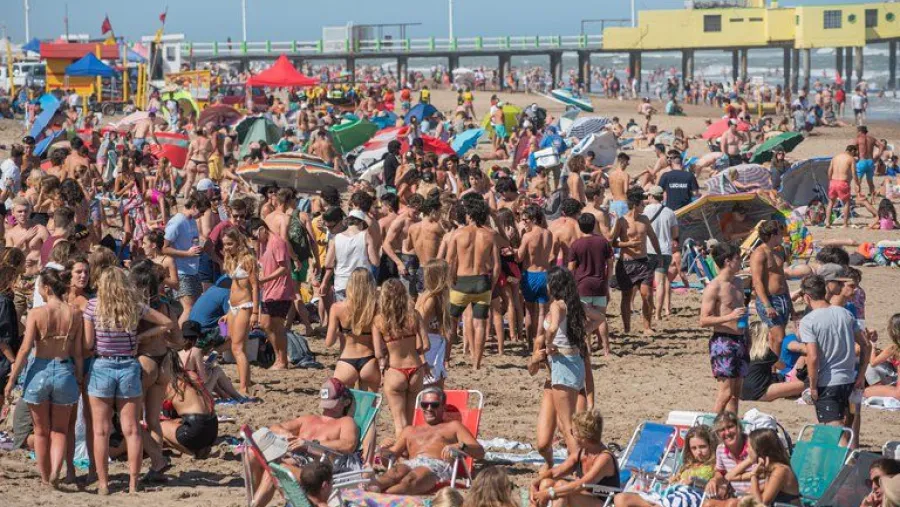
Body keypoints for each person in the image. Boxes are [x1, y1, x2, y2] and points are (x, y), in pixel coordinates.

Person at [84, 267, 179, 495]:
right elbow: (167, 323)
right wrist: (141, 336)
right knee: (132, 429)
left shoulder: (93, 306)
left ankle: (103, 484)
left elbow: (88, 344)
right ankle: (134, 483)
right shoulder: (133, 305)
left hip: (103, 365)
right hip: (128, 365)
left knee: (100, 430)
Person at [3, 269, 82, 488]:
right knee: (60, 429)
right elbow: (77, 352)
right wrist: (79, 376)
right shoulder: (75, 313)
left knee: (40, 430)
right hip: (65, 368)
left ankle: (46, 477)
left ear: (47, 288)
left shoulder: (38, 313)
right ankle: (57, 470)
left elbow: (25, 349)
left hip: (40, 369)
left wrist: (12, 380)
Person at [249, 378, 360, 507]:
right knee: (255, 457)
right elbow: (275, 427)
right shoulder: (309, 419)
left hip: (316, 471)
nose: (327, 409)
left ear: (346, 402)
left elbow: (348, 444)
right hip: (295, 461)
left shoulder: (345, 422)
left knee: (277, 469)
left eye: (332, 403)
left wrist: (310, 444)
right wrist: (288, 435)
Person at [799, 274, 869, 448]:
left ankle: (850, 469)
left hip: (828, 382)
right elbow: (866, 345)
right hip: (848, 379)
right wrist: (860, 374)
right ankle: (835, 469)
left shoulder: (809, 321)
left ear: (807, 297)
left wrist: (813, 386)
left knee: (835, 432)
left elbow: (812, 357)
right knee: (834, 429)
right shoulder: (845, 313)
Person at [371, 386, 484, 495]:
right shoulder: (409, 430)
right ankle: (369, 493)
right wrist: (383, 451)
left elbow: (480, 452)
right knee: (392, 474)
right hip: (410, 464)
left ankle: (379, 499)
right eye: (425, 404)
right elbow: (389, 460)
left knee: (410, 480)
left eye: (434, 405)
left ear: (443, 407)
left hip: (435, 467)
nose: (429, 408)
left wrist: (461, 446)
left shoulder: (453, 427)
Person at [446, 197, 499, 369]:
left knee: (451, 322)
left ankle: (446, 359)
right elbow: (496, 265)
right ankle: (476, 363)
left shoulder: (458, 233)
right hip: (482, 280)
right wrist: (492, 283)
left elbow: (449, 261)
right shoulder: (490, 234)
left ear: (469, 214)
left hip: (461, 281)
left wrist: (450, 280)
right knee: (480, 323)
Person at [699, 242, 749, 415]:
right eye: (738, 258)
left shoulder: (738, 282)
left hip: (740, 339)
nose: (740, 261)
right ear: (728, 261)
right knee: (725, 392)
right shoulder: (714, 287)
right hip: (723, 340)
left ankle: (732, 427)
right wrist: (730, 317)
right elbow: (704, 320)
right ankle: (712, 428)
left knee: (735, 394)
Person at [374, 279, 428, 436]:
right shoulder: (414, 316)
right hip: (416, 369)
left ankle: (402, 454)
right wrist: (412, 346)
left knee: (399, 422)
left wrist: (387, 351)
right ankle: (409, 452)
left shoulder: (379, 320)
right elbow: (426, 345)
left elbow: (378, 353)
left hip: (395, 369)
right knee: (411, 421)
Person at [531, 409, 618, 507]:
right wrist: (535, 483)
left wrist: (549, 493)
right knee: (546, 483)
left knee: (561, 487)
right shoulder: (582, 453)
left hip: (604, 502)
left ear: (584, 436)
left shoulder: (604, 459)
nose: (571, 434)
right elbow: (555, 472)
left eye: (573, 431)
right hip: (584, 497)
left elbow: (581, 484)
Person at [614, 425, 717, 507]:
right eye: (694, 448)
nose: (698, 452)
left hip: (689, 497)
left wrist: (694, 481)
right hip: (668, 494)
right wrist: (670, 481)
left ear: (711, 446)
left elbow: (716, 487)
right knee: (621, 498)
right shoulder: (687, 466)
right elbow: (671, 482)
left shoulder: (715, 466)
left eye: (702, 447)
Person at [612, 187, 661, 335]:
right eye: (642, 204)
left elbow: (653, 237)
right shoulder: (621, 221)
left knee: (647, 295)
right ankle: (627, 328)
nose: (645, 206)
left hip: (643, 262)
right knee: (626, 296)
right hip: (626, 263)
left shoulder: (644, 219)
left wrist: (659, 256)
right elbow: (613, 242)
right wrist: (628, 244)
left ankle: (647, 327)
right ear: (635, 204)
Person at [247, 217, 294, 371]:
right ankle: (279, 357)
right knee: (266, 325)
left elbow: (284, 267)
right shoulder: (265, 244)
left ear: (262, 229)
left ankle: (282, 360)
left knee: (277, 326)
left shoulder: (277, 242)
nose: (255, 240)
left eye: (255, 236)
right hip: (269, 290)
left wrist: (265, 279)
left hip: (280, 290)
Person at [709, 429, 800, 507]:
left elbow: (761, 504)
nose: (747, 450)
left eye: (749, 447)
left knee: (732, 503)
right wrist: (749, 460)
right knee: (712, 504)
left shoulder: (780, 471)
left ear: (759, 450)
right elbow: (729, 477)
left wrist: (754, 476)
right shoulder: (769, 469)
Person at [324, 267, 380, 392]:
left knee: (343, 408)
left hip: (346, 359)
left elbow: (329, 342)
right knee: (368, 409)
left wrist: (341, 332)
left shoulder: (337, 308)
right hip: (369, 360)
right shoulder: (375, 308)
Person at [567, 213, 614, 356]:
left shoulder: (576, 244)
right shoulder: (603, 242)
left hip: (582, 285)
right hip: (599, 283)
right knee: (601, 317)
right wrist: (607, 280)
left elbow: (571, 268)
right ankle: (606, 349)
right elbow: (610, 264)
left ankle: (587, 349)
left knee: (585, 318)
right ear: (594, 225)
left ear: (580, 226)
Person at [157, 354, 218, 459]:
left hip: (195, 429)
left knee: (159, 427)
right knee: (174, 422)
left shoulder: (169, 383)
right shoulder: (190, 374)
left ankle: (190, 453)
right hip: (213, 425)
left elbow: (159, 413)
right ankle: (201, 448)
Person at [222, 227, 259, 394]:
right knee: (236, 345)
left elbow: (255, 286)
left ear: (238, 242)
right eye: (225, 244)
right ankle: (246, 381)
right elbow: (233, 286)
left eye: (230, 244)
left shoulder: (247, 260)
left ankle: (244, 387)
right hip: (233, 305)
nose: (227, 247)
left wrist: (256, 312)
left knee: (237, 347)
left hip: (245, 305)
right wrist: (227, 311)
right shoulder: (233, 259)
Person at [163, 192, 210, 326]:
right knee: (188, 309)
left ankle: (187, 339)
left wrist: (196, 249)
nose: (201, 215)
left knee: (195, 308)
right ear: (194, 206)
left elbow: (190, 243)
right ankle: (177, 341)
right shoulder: (177, 221)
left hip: (193, 271)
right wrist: (186, 254)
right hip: (181, 272)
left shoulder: (191, 221)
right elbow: (164, 248)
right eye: (201, 212)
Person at [750, 220, 792, 357]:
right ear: (773, 235)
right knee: (780, 337)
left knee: (775, 338)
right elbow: (757, 281)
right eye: (780, 234)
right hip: (769, 299)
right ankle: (774, 368)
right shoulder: (759, 253)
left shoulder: (779, 251)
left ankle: (773, 370)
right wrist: (767, 305)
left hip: (783, 298)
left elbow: (782, 278)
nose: (783, 237)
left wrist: (790, 303)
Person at [740, 321, 806, 402]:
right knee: (802, 385)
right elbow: (782, 366)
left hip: (743, 391)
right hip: (759, 393)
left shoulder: (745, 350)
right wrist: (771, 345)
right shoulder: (765, 352)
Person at [519, 204, 554, 346]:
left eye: (526, 220)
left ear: (533, 219)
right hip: (545, 274)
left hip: (530, 274)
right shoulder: (548, 233)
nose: (524, 222)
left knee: (529, 311)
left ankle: (529, 341)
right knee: (542, 312)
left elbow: (520, 257)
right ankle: (539, 341)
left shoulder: (528, 236)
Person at [643, 186, 678, 321]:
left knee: (648, 282)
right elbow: (675, 234)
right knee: (661, 283)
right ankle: (658, 314)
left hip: (649, 249)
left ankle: (649, 310)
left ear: (651, 196)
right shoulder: (670, 212)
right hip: (664, 250)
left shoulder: (645, 210)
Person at [416, 260, 453, 388]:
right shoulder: (431, 298)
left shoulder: (428, 295)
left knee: (434, 381)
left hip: (433, 342)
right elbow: (420, 322)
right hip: (431, 343)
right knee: (433, 383)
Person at [704, 412, 751, 501]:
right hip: (737, 496)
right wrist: (714, 480)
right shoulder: (721, 450)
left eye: (730, 427)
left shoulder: (753, 445)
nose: (727, 432)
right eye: (722, 430)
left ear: (739, 427)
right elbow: (720, 472)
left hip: (757, 495)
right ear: (717, 434)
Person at [864, 313, 900, 400]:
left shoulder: (894, 347)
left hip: (897, 391)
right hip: (895, 379)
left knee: (865, 391)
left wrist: (873, 345)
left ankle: (877, 387)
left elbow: (873, 362)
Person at [826, 145, 858, 229]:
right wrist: (857, 183)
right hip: (842, 182)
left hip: (833, 182)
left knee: (830, 203)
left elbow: (829, 170)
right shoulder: (851, 159)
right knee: (846, 203)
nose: (855, 154)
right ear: (852, 151)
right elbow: (854, 173)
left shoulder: (835, 157)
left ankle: (828, 223)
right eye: (855, 152)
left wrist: (830, 180)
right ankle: (844, 224)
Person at [856, 125, 878, 202]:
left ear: (860, 131)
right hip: (870, 162)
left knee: (858, 181)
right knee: (870, 182)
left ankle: (858, 198)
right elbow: (882, 146)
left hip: (862, 161)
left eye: (857, 132)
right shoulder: (872, 139)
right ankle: (873, 199)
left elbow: (851, 149)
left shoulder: (858, 139)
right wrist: (877, 156)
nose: (857, 133)